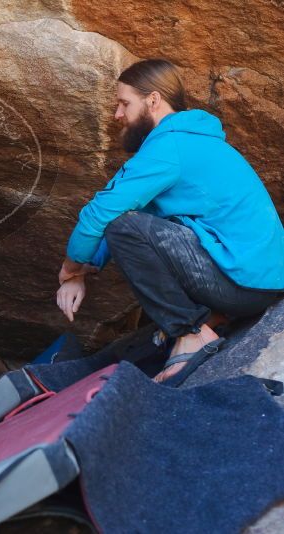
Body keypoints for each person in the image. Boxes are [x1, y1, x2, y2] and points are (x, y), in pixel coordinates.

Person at [56, 58, 284, 386]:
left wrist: (71, 268)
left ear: (153, 100)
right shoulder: (190, 141)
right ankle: (211, 318)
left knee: (125, 228)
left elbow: (103, 213)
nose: (117, 114)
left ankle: (190, 333)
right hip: (263, 284)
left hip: (243, 286)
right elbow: (140, 213)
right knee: (134, 224)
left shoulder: (169, 147)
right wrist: (89, 266)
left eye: (124, 103)